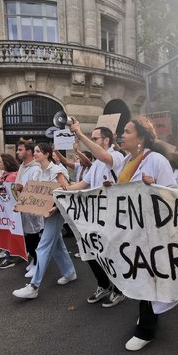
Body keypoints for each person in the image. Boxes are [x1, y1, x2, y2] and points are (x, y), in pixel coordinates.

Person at [113, 116, 178, 352]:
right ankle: (148, 315)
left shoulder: (156, 160)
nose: (122, 135)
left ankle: (146, 330)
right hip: (131, 230)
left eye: (128, 131)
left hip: (152, 233)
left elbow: (173, 195)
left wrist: (154, 187)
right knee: (139, 276)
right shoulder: (125, 161)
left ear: (141, 138)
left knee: (147, 278)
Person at [67, 122, 127, 308]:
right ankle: (104, 285)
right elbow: (82, 185)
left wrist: (79, 133)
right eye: (91, 138)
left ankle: (119, 289)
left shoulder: (115, 156)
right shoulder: (95, 166)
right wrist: (61, 190)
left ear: (106, 140)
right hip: (93, 216)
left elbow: (104, 156)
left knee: (111, 253)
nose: (91, 142)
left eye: (95, 139)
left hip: (113, 216)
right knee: (90, 252)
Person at [12, 143, 76, 299]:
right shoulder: (37, 172)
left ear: (47, 154)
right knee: (57, 244)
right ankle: (69, 272)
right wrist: (22, 204)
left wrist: (56, 207)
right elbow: (32, 193)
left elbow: (66, 190)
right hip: (45, 214)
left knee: (44, 246)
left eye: (38, 151)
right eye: (34, 151)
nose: (35, 154)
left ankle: (34, 286)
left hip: (56, 213)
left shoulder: (57, 171)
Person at [10, 139, 43, 277]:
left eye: (20, 149)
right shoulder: (22, 166)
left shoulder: (36, 168)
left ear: (29, 151)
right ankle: (34, 260)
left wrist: (22, 188)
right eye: (18, 149)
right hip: (22, 207)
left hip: (31, 210)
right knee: (27, 236)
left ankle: (37, 263)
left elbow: (36, 188)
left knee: (33, 236)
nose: (18, 152)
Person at [0, 153, 20, 269]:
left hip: (12, 211)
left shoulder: (12, 177)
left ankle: (12, 257)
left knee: (13, 233)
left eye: (0, 161)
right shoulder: (4, 175)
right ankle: (10, 254)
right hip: (5, 210)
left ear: (7, 163)